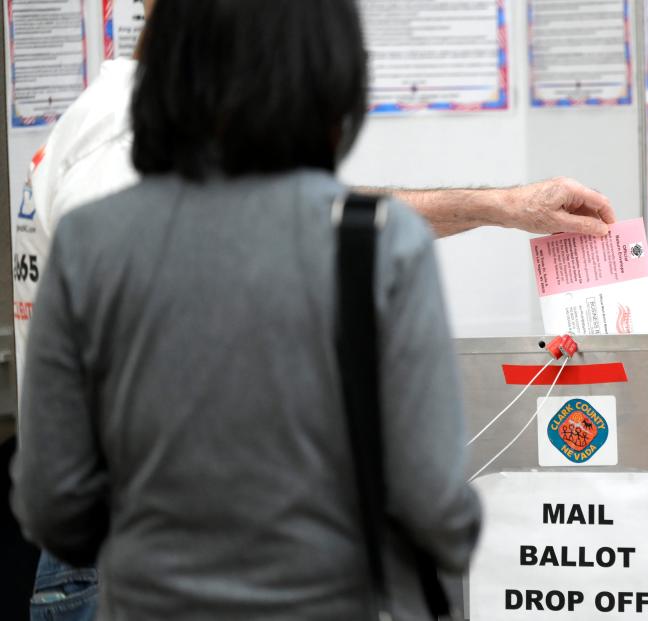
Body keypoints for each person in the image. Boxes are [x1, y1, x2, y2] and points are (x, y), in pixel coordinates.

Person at [11, 0, 480, 618]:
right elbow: (437, 507)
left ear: (166, 68)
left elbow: (52, 502)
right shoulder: (380, 245)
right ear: (334, 76)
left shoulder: (92, 242)